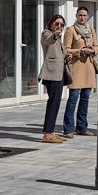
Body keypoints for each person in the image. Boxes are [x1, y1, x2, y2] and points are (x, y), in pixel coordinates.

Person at [62, 6, 98, 138]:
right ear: (76, 16)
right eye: (80, 15)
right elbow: (66, 49)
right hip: (76, 68)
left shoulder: (91, 30)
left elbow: (97, 46)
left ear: (88, 16)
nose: (82, 17)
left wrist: (93, 50)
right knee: (73, 99)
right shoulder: (70, 30)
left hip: (89, 68)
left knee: (85, 99)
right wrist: (80, 51)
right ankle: (68, 129)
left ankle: (82, 127)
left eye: (84, 15)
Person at [38, 14, 71, 143]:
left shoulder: (59, 38)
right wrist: (56, 34)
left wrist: (66, 56)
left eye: (62, 25)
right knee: (53, 103)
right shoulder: (46, 34)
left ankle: (50, 131)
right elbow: (48, 40)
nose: (59, 27)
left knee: (55, 103)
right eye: (57, 24)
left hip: (59, 73)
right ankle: (47, 134)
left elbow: (58, 54)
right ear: (51, 23)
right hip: (51, 74)